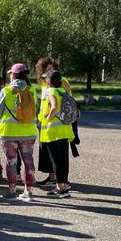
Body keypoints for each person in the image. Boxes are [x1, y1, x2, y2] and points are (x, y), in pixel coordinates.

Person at [0, 64, 39, 201]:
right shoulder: (32, 90)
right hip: (29, 132)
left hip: (9, 132)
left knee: (11, 162)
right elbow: (35, 110)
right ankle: (28, 191)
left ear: (13, 75)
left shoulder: (6, 90)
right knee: (28, 161)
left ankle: (12, 190)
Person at [39, 70, 75, 198]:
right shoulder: (63, 91)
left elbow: (54, 107)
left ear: (49, 81)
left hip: (53, 132)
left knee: (56, 161)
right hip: (65, 130)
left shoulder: (51, 91)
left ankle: (59, 187)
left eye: (46, 79)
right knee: (63, 160)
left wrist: (48, 116)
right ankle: (64, 186)